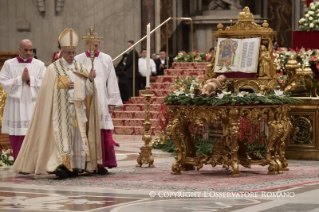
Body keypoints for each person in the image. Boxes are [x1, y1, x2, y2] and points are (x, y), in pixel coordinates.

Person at [13, 28, 101, 179]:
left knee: (75, 139)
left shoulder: (80, 68)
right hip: (60, 111)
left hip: (77, 111)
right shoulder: (53, 69)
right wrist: (63, 85)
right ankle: (60, 166)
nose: (71, 56)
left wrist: (91, 79)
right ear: (61, 52)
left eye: (73, 53)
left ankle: (74, 166)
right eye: (68, 53)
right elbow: (47, 91)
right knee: (62, 138)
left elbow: (89, 92)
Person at [75, 32, 123, 174]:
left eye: (96, 45)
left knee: (102, 127)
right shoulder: (79, 59)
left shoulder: (106, 58)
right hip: (85, 100)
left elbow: (112, 80)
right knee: (85, 128)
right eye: (92, 45)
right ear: (86, 44)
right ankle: (85, 163)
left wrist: (112, 101)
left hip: (102, 99)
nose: (94, 48)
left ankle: (102, 163)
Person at [0, 39, 46, 161]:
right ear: (19, 49)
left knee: (33, 134)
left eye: (31, 50)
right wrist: (20, 79)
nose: (29, 52)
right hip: (16, 104)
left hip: (32, 103)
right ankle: (18, 162)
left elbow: (45, 83)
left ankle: (32, 162)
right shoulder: (9, 64)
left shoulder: (40, 65)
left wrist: (30, 79)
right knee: (17, 134)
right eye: (26, 50)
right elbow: (4, 82)